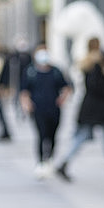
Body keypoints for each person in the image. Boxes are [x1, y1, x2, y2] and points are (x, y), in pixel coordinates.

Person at [56, 37, 104, 182]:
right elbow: (98, 87)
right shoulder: (96, 64)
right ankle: (65, 163)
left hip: (91, 107)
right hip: (97, 109)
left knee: (94, 136)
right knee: (90, 136)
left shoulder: (87, 63)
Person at [20, 44, 72, 178]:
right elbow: (24, 90)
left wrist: (62, 99)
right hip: (38, 109)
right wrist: (26, 104)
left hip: (54, 109)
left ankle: (50, 159)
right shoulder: (30, 71)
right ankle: (41, 161)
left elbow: (66, 87)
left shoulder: (55, 71)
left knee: (53, 135)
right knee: (41, 135)